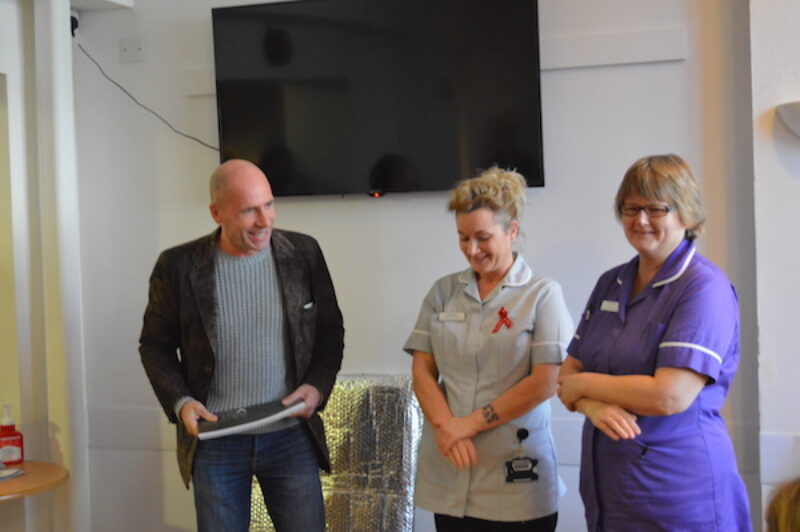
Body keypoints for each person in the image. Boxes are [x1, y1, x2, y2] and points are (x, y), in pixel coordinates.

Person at [139, 159, 344, 532]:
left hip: (291, 437)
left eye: (268, 204)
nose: (265, 221)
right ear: (217, 212)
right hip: (216, 442)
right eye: (249, 210)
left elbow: (330, 333)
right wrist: (182, 402)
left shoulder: (303, 254)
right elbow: (154, 346)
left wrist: (316, 386)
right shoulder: (178, 266)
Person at [557, 154, 751, 531]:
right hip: (610, 493)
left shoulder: (703, 288)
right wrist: (593, 405)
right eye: (630, 208)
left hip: (679, 494)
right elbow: (568, 374)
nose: (640, 220)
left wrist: (581, 386)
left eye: (655, 208)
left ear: (687, 215)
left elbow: (669, 395)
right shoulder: (610, 282)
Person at [403, 167, 573, 532]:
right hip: (451, 469)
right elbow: (422, 370)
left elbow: (547, 381)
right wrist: (447, 427)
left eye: (482, 237)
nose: (472, 250)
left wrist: (469, 425)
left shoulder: (542, 294)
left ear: (511, 231)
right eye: (463, 238)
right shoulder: (442, 291)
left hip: (517, 480)